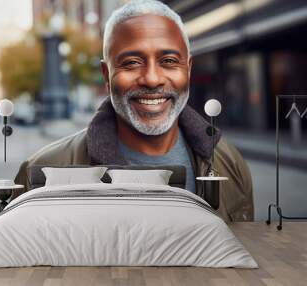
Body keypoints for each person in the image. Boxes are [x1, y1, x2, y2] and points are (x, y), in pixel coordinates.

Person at [13, 0, 254, 222]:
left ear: (188, 70)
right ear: (107, 76)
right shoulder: (42, 170)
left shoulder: (230, 162)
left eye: (169, 61)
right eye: (131, 63)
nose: (151, 79)